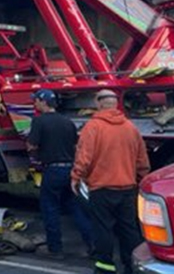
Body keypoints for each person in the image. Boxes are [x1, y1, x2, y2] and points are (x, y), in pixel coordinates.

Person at [71, 89, 150, 274]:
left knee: (103, 230)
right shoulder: (130, 128)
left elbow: (84, 157)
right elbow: (142, 160)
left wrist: (76, 177)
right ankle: (132, 266)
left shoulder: (93, 127)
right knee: (129, 229)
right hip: (127, 188)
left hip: (102, 188)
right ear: (116, 104)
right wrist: (141, 177)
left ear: (98, 104)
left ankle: (105, 268)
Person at [26, 89, 93, 260]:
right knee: (75, 208)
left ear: (43, 102)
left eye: (36, 101)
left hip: (52, 170)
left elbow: (32, 145)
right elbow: (74, 145)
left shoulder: (39, 121)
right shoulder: (67, 122)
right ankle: (93, 245)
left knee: (50, 209)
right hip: (69, 170)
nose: (34, 104)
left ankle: (55, 249)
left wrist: (34, 156)